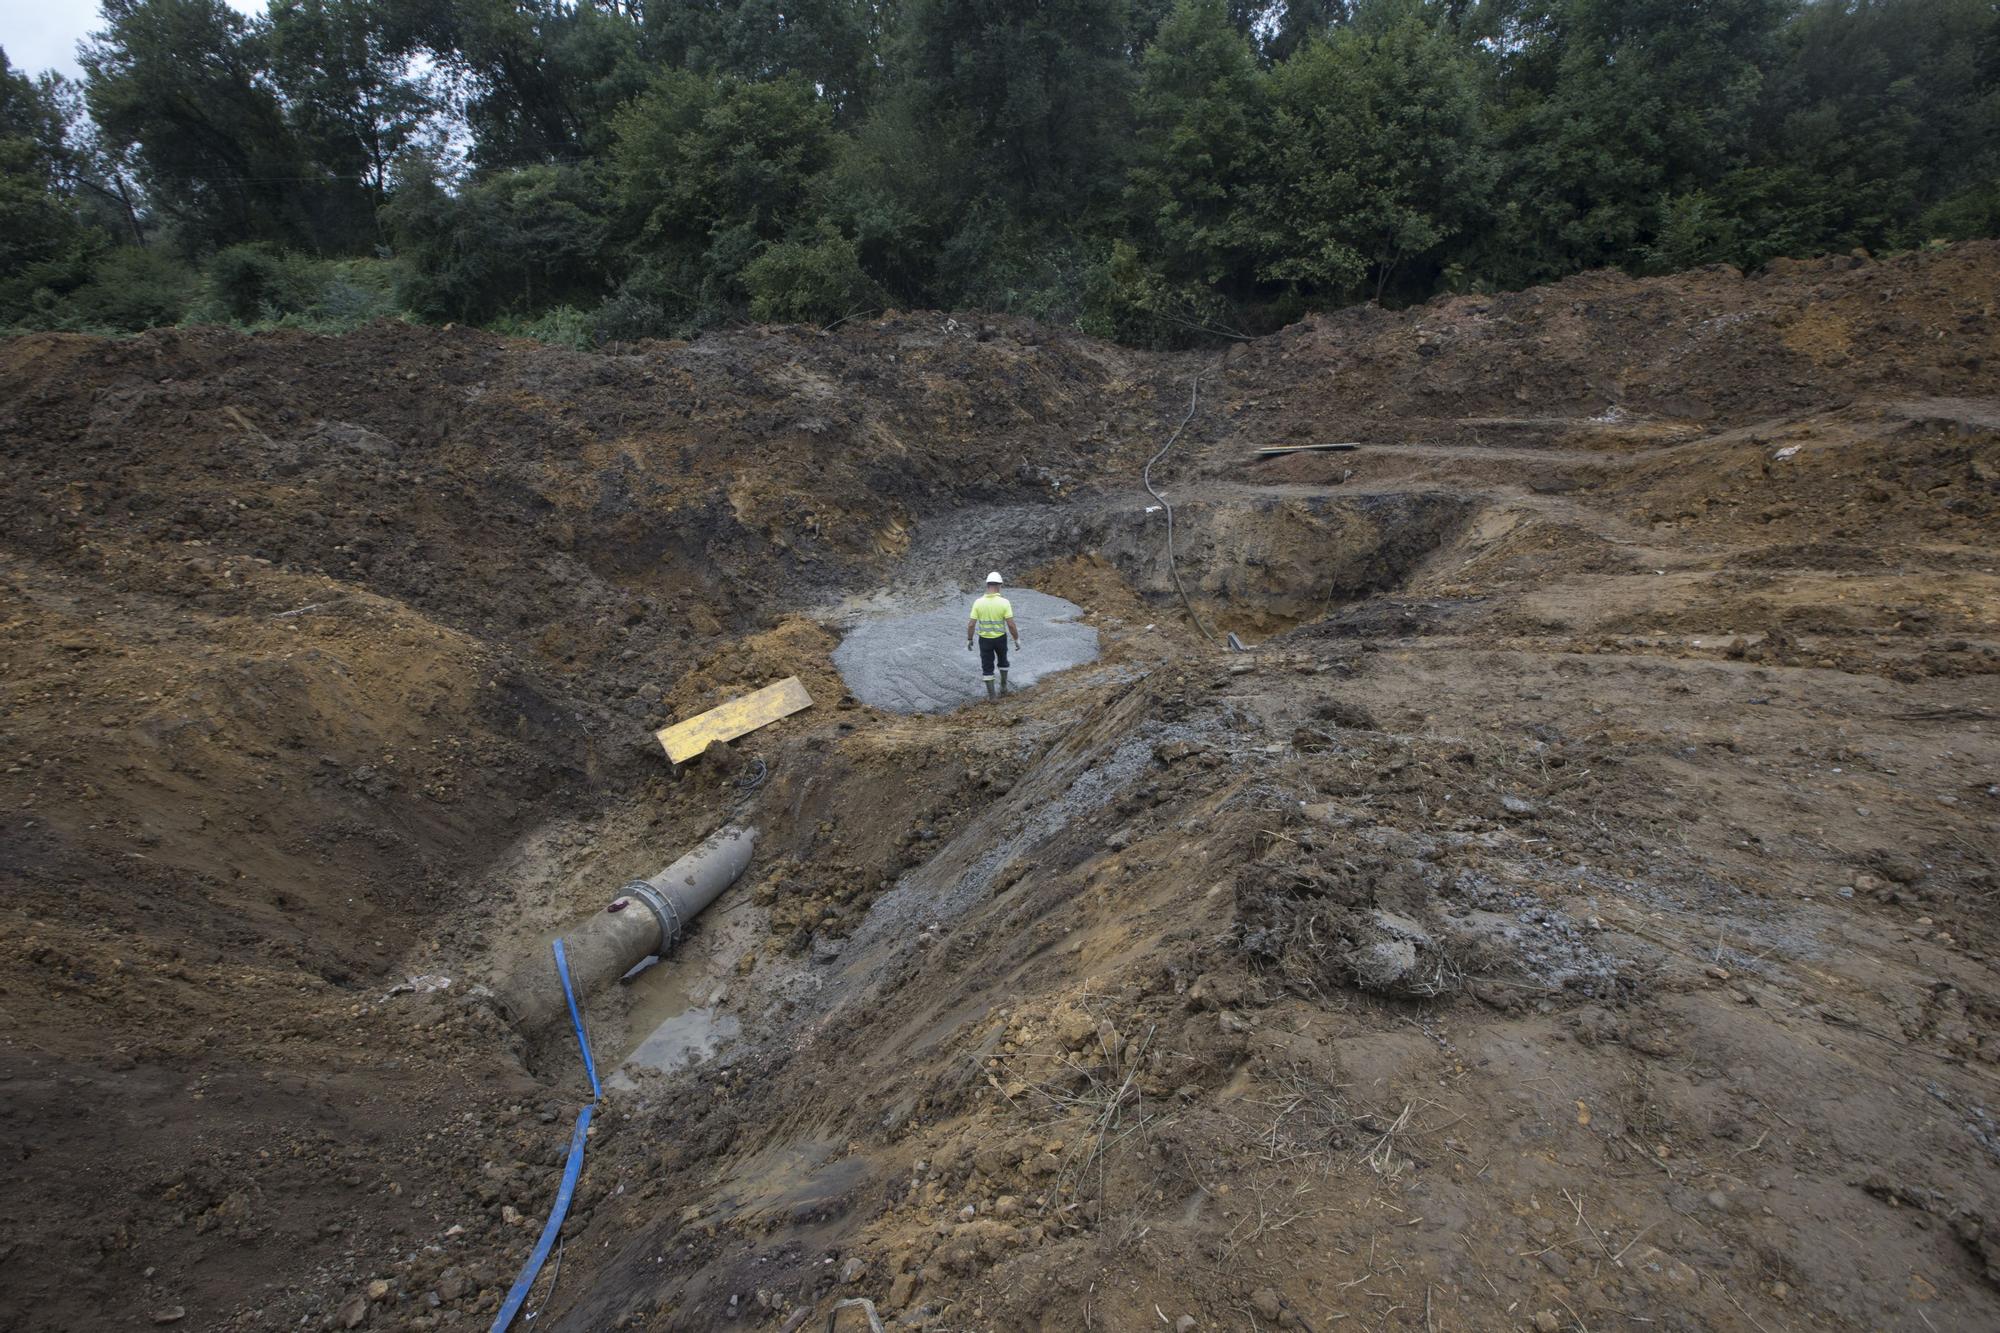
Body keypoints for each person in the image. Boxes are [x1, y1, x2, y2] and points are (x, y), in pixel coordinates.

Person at [966, 571, 1021, 700]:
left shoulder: (978, 602)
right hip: (1000, 638)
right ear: (999, 585)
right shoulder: (1004, 602)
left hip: (985, 640)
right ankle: (1003, 687)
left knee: (987, 666)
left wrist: (969, 639)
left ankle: (992, 697)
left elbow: (971, 625)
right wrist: (1016, 639)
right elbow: (1011, 625)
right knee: (1003, 661)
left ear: (987, 585)